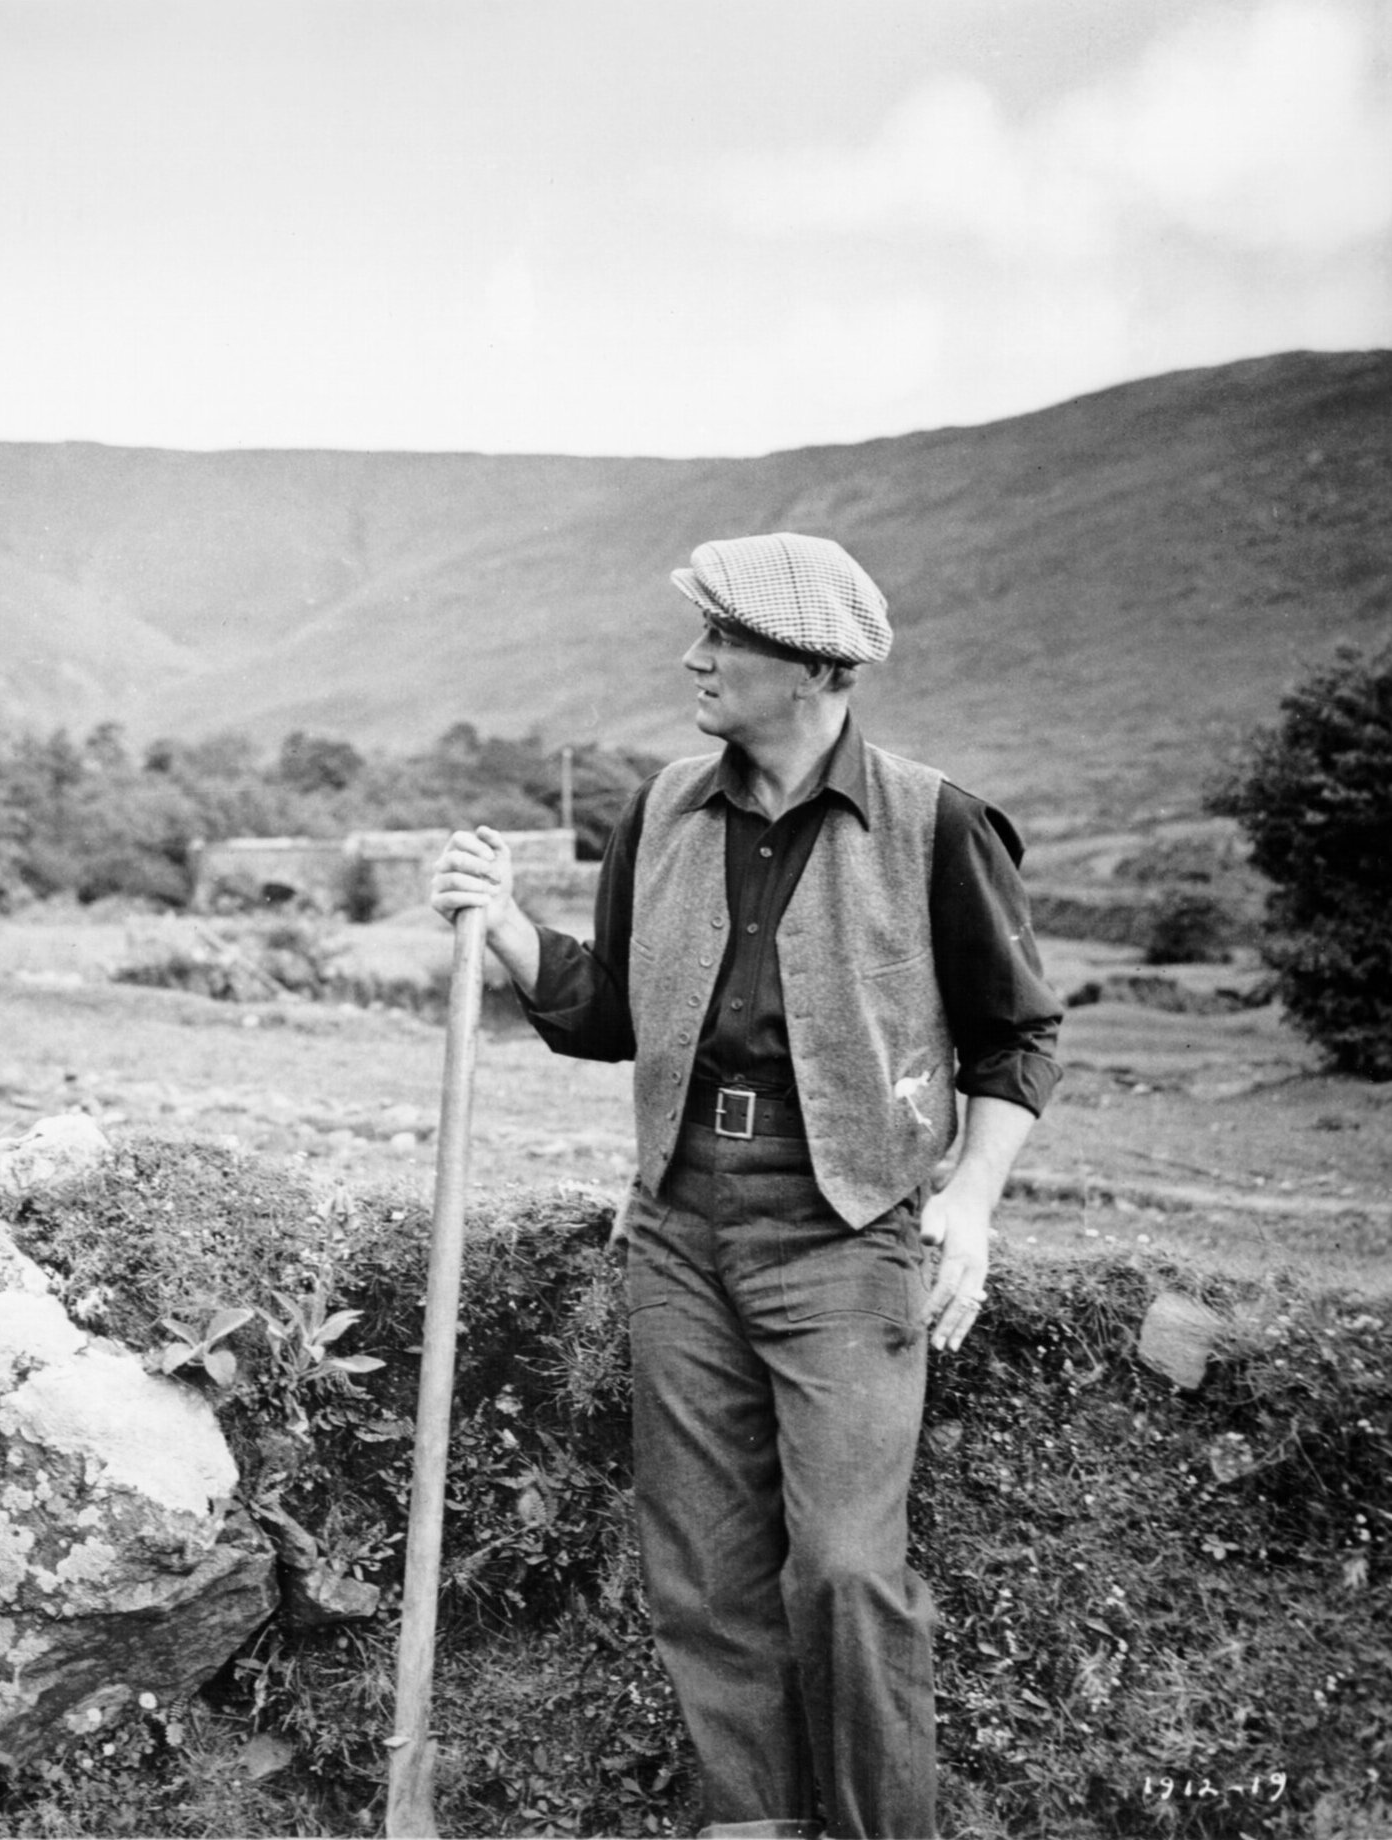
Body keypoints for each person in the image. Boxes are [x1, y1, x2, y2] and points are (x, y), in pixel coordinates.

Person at [430, 532, 1062, 1840]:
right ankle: (750, 1823)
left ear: (814, 667)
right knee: (704, 1575)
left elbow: (1015, 1036)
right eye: (700, 631)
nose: (692, 658)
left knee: (838, 1568)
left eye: (721, 636)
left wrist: (969, 1198)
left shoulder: (930, 822)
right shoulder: (660, 811)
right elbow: (611, 1007)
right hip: (676, 1226)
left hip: (840, 1232)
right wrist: (500, 929)